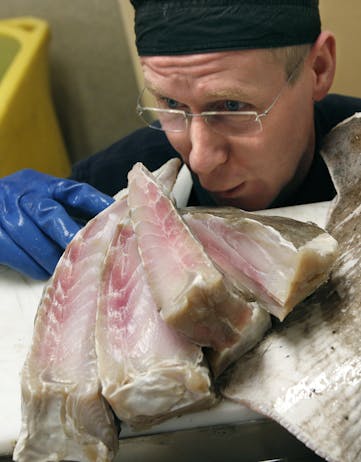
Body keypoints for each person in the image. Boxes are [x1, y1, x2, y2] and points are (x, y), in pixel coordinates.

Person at [1, 0, 361, 280]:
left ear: (318, 69)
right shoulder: (109, 182)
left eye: (233, 107)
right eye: (171, 104)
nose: (201, 159)